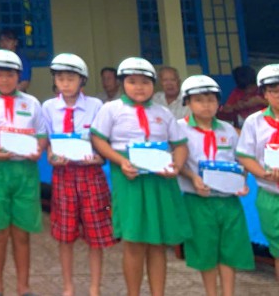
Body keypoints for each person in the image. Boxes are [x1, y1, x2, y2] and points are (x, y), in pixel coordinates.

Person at [91, 57, 191, 296]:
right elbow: (98, 139)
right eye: (132, 81)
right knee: (134, 241)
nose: (139, 87)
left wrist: (176, 166)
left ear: (153, 85)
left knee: (157, 243)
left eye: (145, 82)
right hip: (130, 179)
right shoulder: (111, 109)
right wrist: (120, 161)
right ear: (123, 83)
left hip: (159, 180)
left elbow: (179, 144)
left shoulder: (163, 112)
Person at [0, 49, 45, 296]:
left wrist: (38, 149)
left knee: (22, 233)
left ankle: (23, 287)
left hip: (24, 171)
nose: (4, 79)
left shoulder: (31, 103)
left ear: (18, 76)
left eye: (10, 75)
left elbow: (41, 135)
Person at [176, 74, 254, 296]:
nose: (206, 105)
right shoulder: (179, 129)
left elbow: (241, 161)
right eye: (199, 100)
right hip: (198, 200)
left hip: (228, 201)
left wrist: (242, 181)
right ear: (187, 102)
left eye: (211, 100)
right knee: (205, 251)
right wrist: (192, 177)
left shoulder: (228, 130)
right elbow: (176, 162)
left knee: (230, 250)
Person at [42, 53, 112, 296]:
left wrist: (100, 157)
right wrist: (51, 156)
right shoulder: (48, 107)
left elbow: (102, 140)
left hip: (91, 175)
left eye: (71, 78)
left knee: (95, 234)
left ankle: (94, 288)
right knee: (65, 235)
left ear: (82, 80)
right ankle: (68, 287)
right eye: (60, 78)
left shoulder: (96, 106)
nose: (65, 84)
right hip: (64, 176)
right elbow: (48, 142)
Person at [233, 63, 279, 288]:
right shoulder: (254, 122)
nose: (278, 95)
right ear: (264, 94)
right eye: (273, 91)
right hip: (270, 193)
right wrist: (263, 173)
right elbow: (244, 155)